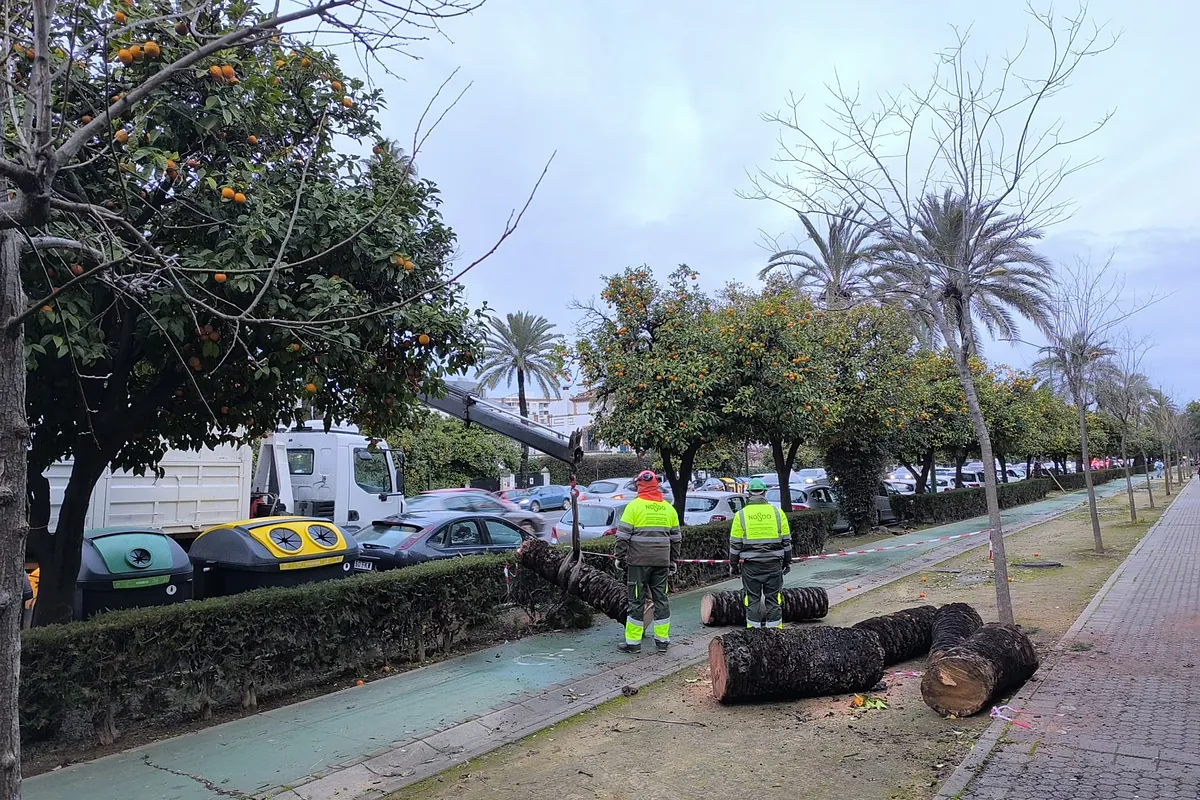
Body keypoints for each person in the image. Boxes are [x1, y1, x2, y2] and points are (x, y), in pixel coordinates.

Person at [614, 470, 681, 654]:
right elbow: (676, 538)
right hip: (662, 563)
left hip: (638, 563)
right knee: (661, 599)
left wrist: (620, 558)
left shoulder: (634, 507)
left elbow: (622, 537)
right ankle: (662, 641)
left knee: (636, 600)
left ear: (639, 486)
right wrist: (673, 560)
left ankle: (633, 643)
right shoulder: (668, 509)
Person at [729, 478, 792, 629]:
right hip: (773, 564)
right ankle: (775, 636)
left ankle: (754, 637)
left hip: (751, 567)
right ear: (765, 492)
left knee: (752, 600)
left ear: (748, 493)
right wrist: (787, 562)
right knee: (774, 600)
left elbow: (735, 544)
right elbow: (787, 542)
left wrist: (733, 564)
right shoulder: (778, 513)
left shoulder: (741, 515)